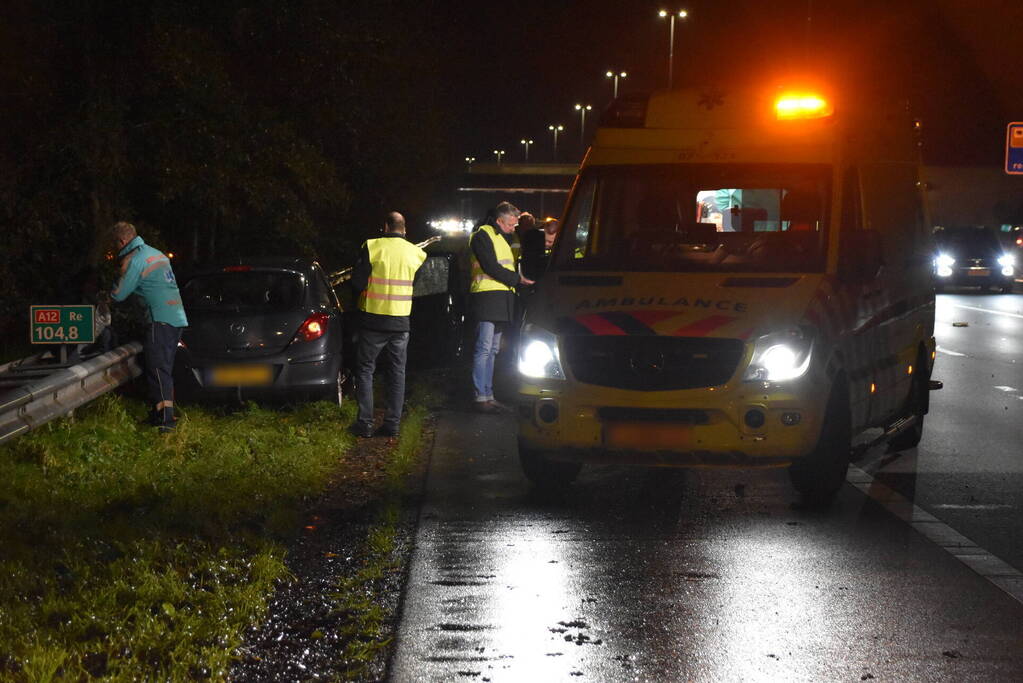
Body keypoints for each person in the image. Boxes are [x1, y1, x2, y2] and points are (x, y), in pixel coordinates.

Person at [349, 211, 427, 438]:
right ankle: (392, 424)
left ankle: (364, 424)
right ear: (405, 229)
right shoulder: (417, 253)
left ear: (385, 227)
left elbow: (357, 282)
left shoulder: (372, 246)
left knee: (365, 370)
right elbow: (416, 284)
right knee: (397, 372)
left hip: (373, 319)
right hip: (401, 322)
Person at [108, 221, 188, 432]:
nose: (114, 249)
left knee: (158, 370)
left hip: (159, 319)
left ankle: (165, 422)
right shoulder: (156, 253)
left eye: (114, 244)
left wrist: (103, 297)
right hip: (176, 317)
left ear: (122, 241)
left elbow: (119, 294)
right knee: (163, 369)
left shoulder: (135, 260)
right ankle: (160, 414)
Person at [469, 201, 534, 413]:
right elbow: (489, 265)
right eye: (511, 224)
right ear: (499, 220)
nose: (514, 228)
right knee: (485, 348)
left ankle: (488, 394)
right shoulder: (482, 235)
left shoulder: (502, 238)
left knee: (493, 349)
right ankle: (481, 396)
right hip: (487, 296)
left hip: (501, 297)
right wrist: (517, 280)